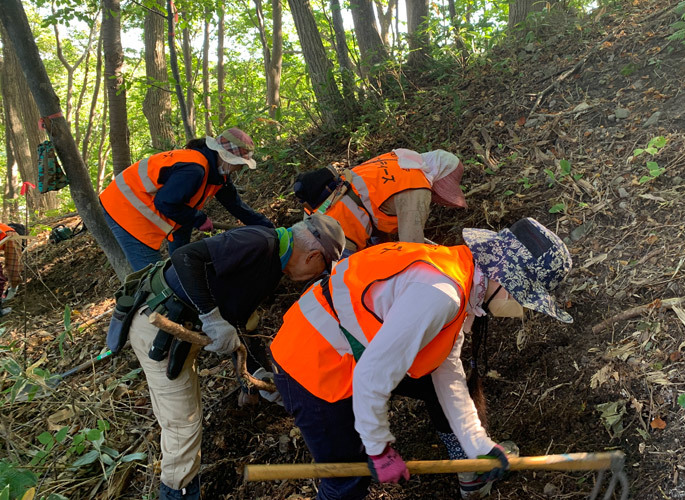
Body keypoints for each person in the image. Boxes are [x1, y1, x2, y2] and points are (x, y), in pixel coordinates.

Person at [270, 217, 574, 499]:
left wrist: (478, 445)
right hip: (308, 359)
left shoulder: (460, 276)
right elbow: (371, 375)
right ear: (509, 285)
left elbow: (447, 370)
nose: (519, 308)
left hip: (339, 345)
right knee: (346, 480)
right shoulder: (441, 294)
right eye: (524, 299)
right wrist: (378, 449)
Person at [126, 213, 345, 500]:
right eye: (322, 268)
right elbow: (186, 257)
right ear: (313, 255)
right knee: (183, 424)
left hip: (187, 326)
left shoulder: (273, 265)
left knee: (183, 422)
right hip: (161, 327)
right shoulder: (259, 242)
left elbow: (242, 321)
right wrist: (211, 316)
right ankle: (175, 493)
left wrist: (256, 377)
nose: (317, 275)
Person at [99, 127, 274, 271]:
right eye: (240, 163)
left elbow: (236, 206)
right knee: (150, 276)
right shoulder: (194, 169)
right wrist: (199, 218)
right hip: (125, 207)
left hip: (153, 205)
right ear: (227, 158)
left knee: (184, 231)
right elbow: (165, 202)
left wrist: (270, 228)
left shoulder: (217, 174)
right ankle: (147, 307)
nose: (241, 168)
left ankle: (181, 269)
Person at [293, 149, 467, 255]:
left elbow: (371, 207)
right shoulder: (416, 186)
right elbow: (412, 247)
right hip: (337, 239)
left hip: (312, 226)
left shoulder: (396, 161)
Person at [0, 223, 23, 316]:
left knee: (13, 266)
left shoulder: (12, 236)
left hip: (8, 235)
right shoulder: (11, 235)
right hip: (6, 234)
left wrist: (13, 286)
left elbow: (13, 266)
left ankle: (13, 287)